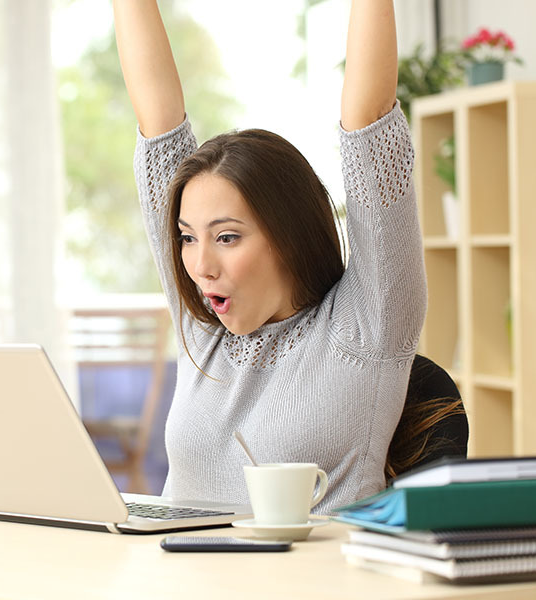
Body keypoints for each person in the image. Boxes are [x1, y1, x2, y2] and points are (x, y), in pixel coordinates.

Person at [112, 0, 426, 512]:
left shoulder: (368, 323)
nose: (199, 266)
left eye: (228, 237)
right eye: (188, 237)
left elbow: (369, 122)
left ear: (288, 235)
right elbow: (157, 118)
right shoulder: (203, 325)